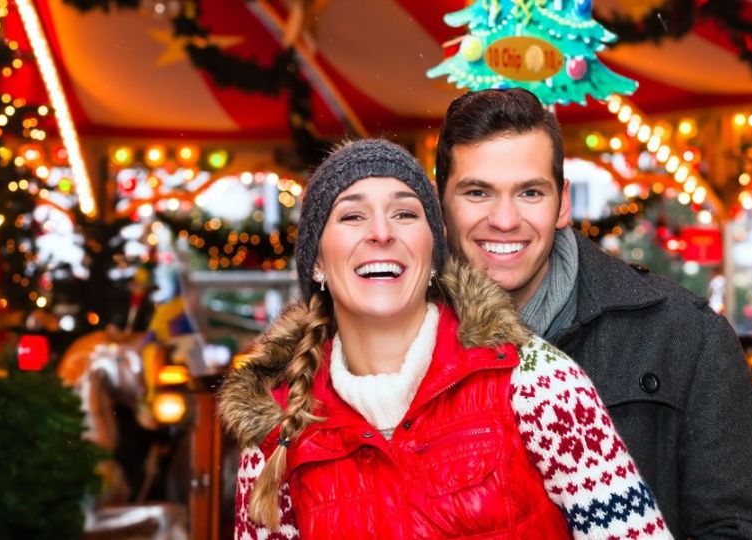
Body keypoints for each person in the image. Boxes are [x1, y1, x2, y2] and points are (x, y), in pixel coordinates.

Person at [220, 138, 668, 539]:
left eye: (405, 213)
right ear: (317, 263)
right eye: (353, 215)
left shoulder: (534, 382)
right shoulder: (276, 432)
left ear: (434, 252)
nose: (381, 232)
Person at [435, 88, 752, 539]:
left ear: (563, 202)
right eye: (477, 192)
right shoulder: (406, 343)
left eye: (530, 192)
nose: (504, 219)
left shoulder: (684, 335)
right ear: (440, 206)